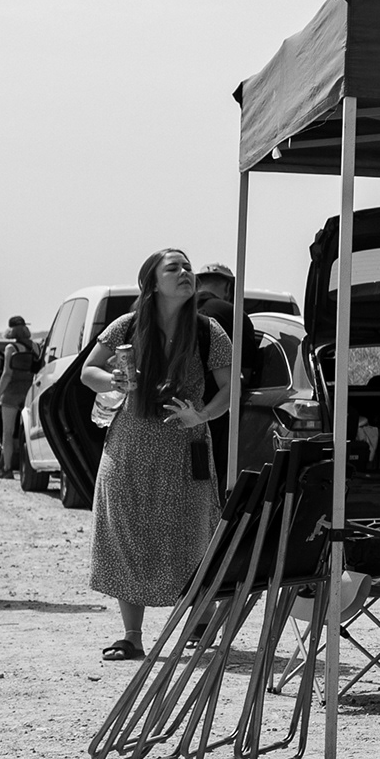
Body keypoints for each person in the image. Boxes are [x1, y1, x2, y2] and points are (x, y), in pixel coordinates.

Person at [78, 249, 236, 661]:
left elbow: (230, 388)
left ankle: (199, 616)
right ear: (152, 282)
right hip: (128, 447)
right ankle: (131, 636)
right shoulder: (128, 325)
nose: (185, 273)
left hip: (186, 447)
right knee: (126, 535)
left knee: (192, 535)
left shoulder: (208, 330)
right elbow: (88, 371)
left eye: (188, 268)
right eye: (174, 268)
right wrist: (112, 379)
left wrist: (201, 415)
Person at [196, 265, 294, 480]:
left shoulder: (172, 314)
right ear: (229, 287)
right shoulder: (233, 315)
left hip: (176, 409)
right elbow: (245, 374)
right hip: (218, 410)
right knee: (212, 474)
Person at [0, 312, 43, 478]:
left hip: (12, 392)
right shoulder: (36, 347)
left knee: (7, 432)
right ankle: (30, 467)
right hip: (30, 391)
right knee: (29, 432)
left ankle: (7, 469)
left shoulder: (10, 348)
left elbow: (7, 374)